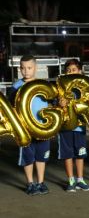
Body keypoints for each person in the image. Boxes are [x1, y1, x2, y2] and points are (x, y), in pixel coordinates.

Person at [9, 55, 50, 195]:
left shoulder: (43, 85)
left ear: (36, 68)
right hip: (25, 129)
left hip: (42, 127)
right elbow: (10, 108)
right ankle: (30, 183)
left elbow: (53, 103)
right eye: (22, 68)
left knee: (41, 156)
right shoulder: (15, 87)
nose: (25, 71)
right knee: (28, 157)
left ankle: (41, 182)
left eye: (29, 67)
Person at [57, 59, 89, 192]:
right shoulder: (61, 86)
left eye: (74, 70)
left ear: (80, 71)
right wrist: (59, 103)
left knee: (80, 153)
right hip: (66, 125)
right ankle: (71, 180)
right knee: (68, 154)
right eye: (68, 71)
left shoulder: (85, 87)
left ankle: (80, 179)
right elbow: (56, 104)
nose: (71, 73)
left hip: (80, 125)